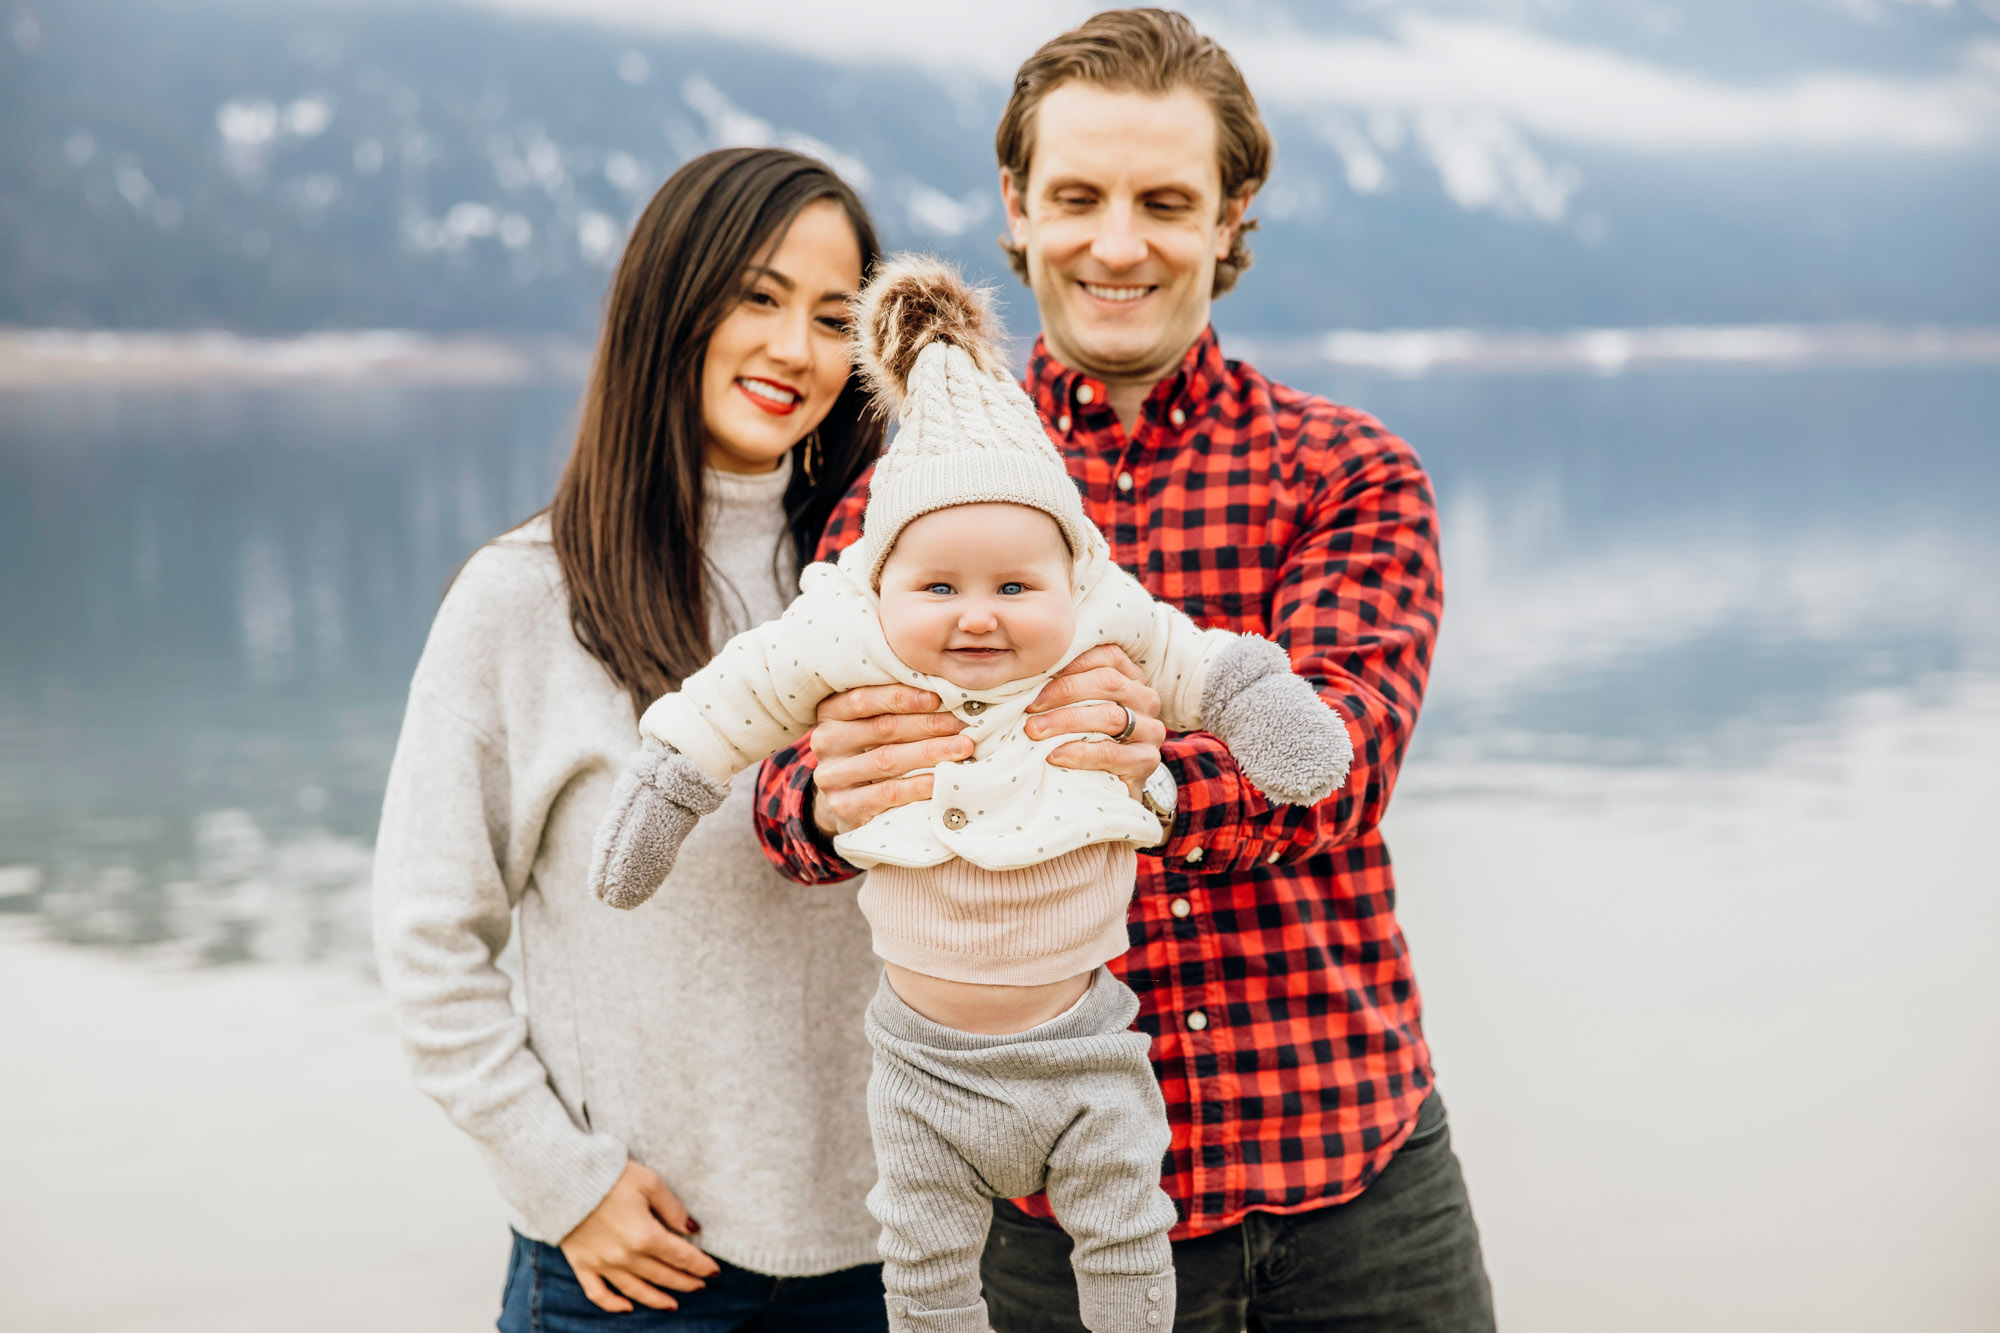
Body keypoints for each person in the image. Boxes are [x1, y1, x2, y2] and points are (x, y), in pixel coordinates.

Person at [753, 10, 1497, 1331]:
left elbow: (1336, 766)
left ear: (1231, 213)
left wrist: (1118, 774)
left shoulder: (1348, 473)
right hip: (1045, 1218)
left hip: (1356, 1190)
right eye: (1079, 196)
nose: (1116, 243)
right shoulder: (901, 501)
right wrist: (822, 796)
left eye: (1164, 200)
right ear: (1017, 207)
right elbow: (789, 790)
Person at [588, 255, 1353, 1333]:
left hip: (1088, 1039)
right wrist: (678, 794)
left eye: (1012, 587)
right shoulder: (843, 628)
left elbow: (1210, 666)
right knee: (926, 1260)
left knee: (1124, 1237)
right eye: (939, 587)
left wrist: (1233, 726)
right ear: (882, 581)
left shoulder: (1105, 611)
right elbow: (728, 710)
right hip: (919, 1060)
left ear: (1069, 580)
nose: (977, 616)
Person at [372, 146, 894, 1332]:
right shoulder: (520, 601)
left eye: (832, 317)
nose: (796, 351)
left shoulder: (885, 585)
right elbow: (427, 941)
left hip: (892, 1268)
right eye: (757, 298)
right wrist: (563, 1185)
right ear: (670, 299)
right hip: (639, 1272)